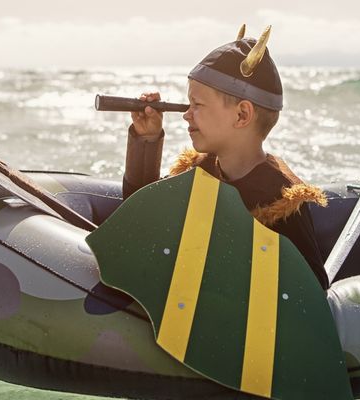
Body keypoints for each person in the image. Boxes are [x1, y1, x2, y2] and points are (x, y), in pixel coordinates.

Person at [122, 25, 330, 289]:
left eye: (197, 105)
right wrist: (147, 139)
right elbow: (139, 218)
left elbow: (310, 292)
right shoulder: (198, 171)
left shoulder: (280, 199)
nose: (187, 114)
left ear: (242, 115)